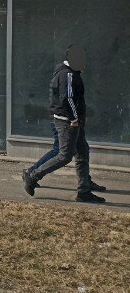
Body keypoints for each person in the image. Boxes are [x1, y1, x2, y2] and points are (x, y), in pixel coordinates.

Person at [21, 45, 107, 203]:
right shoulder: (67, 75)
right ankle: (32, 176)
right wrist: (74, 118)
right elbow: (67, 99)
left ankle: (84, 189)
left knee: (82, 152)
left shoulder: (70, 73)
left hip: (73, 121)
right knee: (64, 156)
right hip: (68, 122)